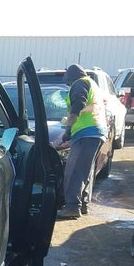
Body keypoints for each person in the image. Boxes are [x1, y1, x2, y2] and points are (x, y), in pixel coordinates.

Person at [52, 63, 108, 219]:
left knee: (74, 171)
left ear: (71, 78)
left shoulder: (80, 83)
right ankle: (83, 205)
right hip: (95, 132)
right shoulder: (92, 84)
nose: (69, 84)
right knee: (85, 171)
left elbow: (77, 106)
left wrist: (67, 132)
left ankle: (71, 207)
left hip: (86, 132)